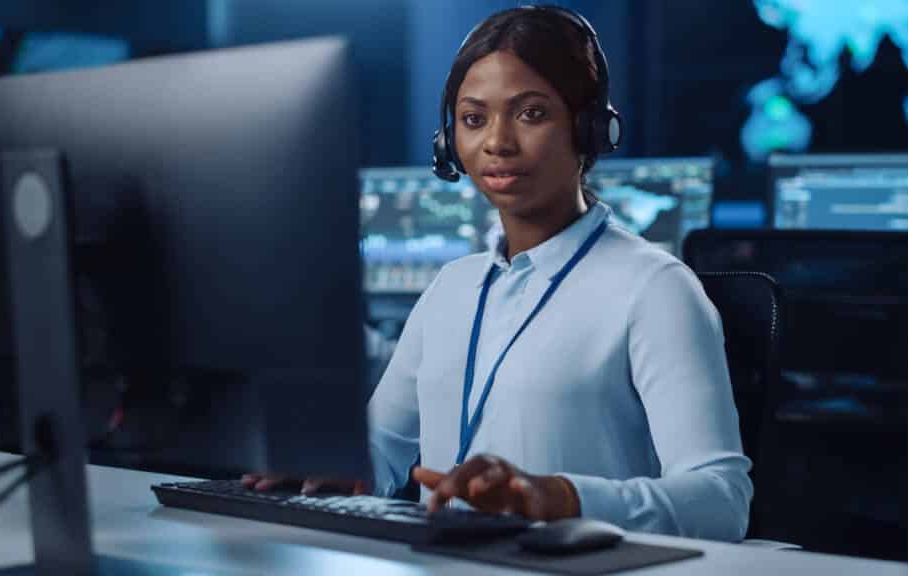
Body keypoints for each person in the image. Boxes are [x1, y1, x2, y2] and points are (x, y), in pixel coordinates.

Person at [244, 5, 752, 542]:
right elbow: (379, 449)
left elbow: (721, 500)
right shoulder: (452, 288)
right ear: (450, 142)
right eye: (473, 118)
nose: (497, 143)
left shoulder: (655, 289)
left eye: (531, 113)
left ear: (589, 128)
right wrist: (316, 465)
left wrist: (557, 497)